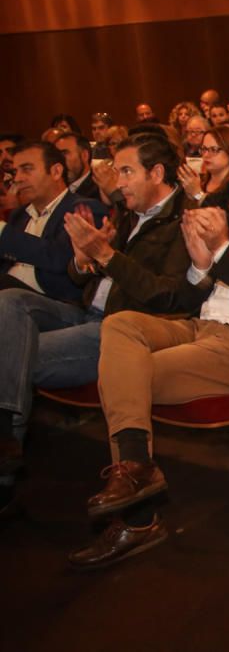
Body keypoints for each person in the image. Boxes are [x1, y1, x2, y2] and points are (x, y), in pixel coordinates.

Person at [68, 137, 229, 569]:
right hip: (194, 326)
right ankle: (135, 466)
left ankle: (137, 515)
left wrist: (222, 249)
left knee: (124, 378)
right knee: (119, 325)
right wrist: (198, 266)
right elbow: (185, 297)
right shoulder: (221, 221)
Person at [0, 133, 198, 502]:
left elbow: (168, 296)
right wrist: (82, 257)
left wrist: (106, 255)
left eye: (126, 171)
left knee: (12, 353)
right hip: (86, 312)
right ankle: (4, 437)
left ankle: (4, 469)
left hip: (126, 329)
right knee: (10, 301)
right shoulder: (127, 214)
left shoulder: (184, 219)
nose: (117, 182)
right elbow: (81, 277)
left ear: (156, 173)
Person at [1, 141, 106, 300]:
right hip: (8, 293)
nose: (18, 178)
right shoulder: (19, 215)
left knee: (9, 297)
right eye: (16, 171)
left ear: (56, 171)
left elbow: (62, 258)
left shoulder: (82, 208)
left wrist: (2, 232)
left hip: (54, 303)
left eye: (27, 169)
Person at [177, 124, 229, 211]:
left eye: (214, 150)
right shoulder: (201, 179)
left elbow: (223, 216)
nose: (206, 155)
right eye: (204, 149)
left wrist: (198, 194)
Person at [53, 131, 101, 200]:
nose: (59, 160)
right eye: (56, 155)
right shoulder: (54, 188)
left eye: (64, 153)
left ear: (84, 155)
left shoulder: (99, 189)